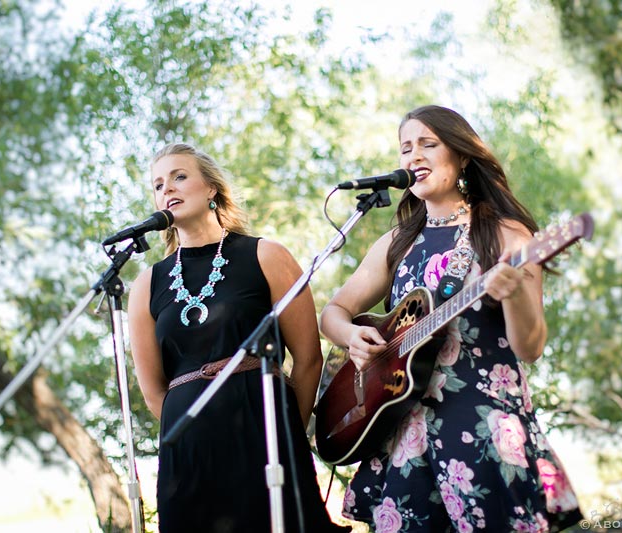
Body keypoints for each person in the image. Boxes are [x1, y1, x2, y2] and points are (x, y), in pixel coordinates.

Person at [319, 105, 583, 532]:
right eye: (406, 148)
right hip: (402, 428)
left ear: (461, 155)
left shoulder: (506, 233)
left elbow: (530, 348)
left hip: (484, 427)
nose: (413, 156)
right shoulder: (398, 241)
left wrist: (514, 294)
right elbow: (332, 313)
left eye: (428, 144)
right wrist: (352, 336)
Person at [128, 142, 348, 533]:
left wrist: (283, 430)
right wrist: (197, 427)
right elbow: (152, 391)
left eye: (180, 176)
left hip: (264, 435)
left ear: (212, 188)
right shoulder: (147, 284)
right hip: (188, 454)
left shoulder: (266, 256)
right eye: (158, 184)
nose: (168, 189)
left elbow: (309, 358)